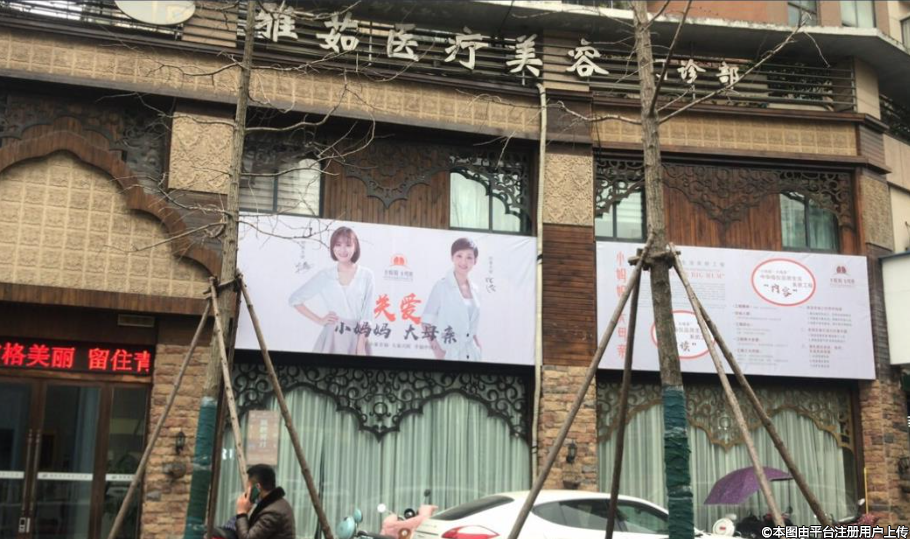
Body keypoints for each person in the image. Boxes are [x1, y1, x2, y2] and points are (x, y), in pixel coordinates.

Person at [289, 226, 374, 355]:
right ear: (333, 248)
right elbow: (295, 299)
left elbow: (367, 316)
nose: (342, 250)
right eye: (338, 245)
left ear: (355, 247)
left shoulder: (366, 275)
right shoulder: (325, 275)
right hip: (332, 337)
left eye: (348, 245)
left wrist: (360, 345)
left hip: (358, 338)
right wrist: (319, 320)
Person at [422, 237, 482, 361]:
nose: (463, 262)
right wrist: (438, 352)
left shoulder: (475, 290)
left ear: (475, 261)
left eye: (469, 257)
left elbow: (470, 324)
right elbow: (426, 323)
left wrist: (478, 346)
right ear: (452, 257)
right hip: (449, 354)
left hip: (473, 354)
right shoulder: (441, 286)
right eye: (459, 256)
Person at [235, 464, 295, 539]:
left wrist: (241, 513)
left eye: (248, 487)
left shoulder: (273, 513)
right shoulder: (277, 504)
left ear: (257, 487)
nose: (247, 492)